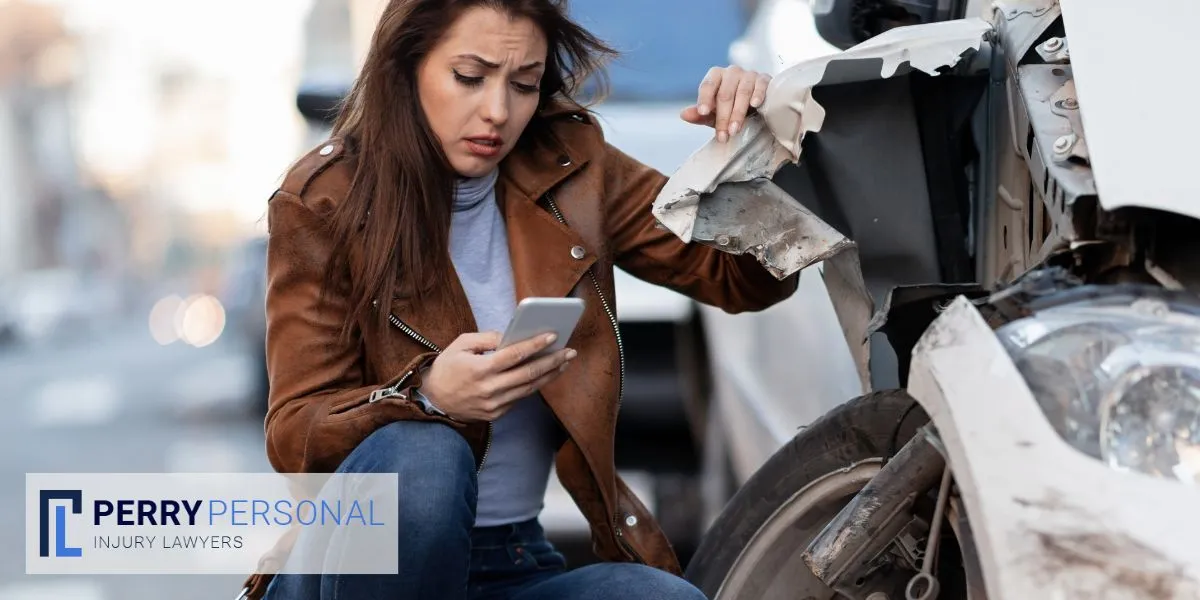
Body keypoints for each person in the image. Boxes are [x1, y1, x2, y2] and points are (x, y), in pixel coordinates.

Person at [242, 0, 799, 598]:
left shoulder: (571, 166)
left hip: (512, 558)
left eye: (525, 84)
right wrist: (427, 396)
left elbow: (743, 280)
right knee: (427, 456)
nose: (497, 112)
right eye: (469, 77)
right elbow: (294, 433)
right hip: (357, 562)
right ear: (405, 70)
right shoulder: (324, 200)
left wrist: (752, 145)